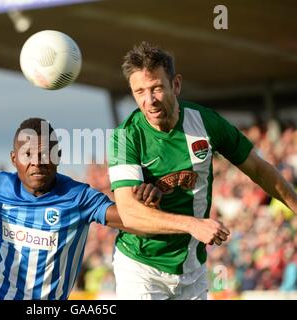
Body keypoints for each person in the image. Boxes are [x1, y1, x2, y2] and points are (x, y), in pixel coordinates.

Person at [0, 118, 228, 300]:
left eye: (47, 153)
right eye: (29, 155)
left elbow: (131, 220)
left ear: (59, 157)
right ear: (14, 159)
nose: (38, 162)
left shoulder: (79, 198)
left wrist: (145, 202)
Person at [108, 42, 297, 300]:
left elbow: (259, 169)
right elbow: (129, 212)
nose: (148, 100)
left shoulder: (206, 122)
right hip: (141, 268)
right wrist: (192, 225)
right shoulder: (126, 136)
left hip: (193, 269)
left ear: (175, 85)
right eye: (139, 91)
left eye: (156, 88)